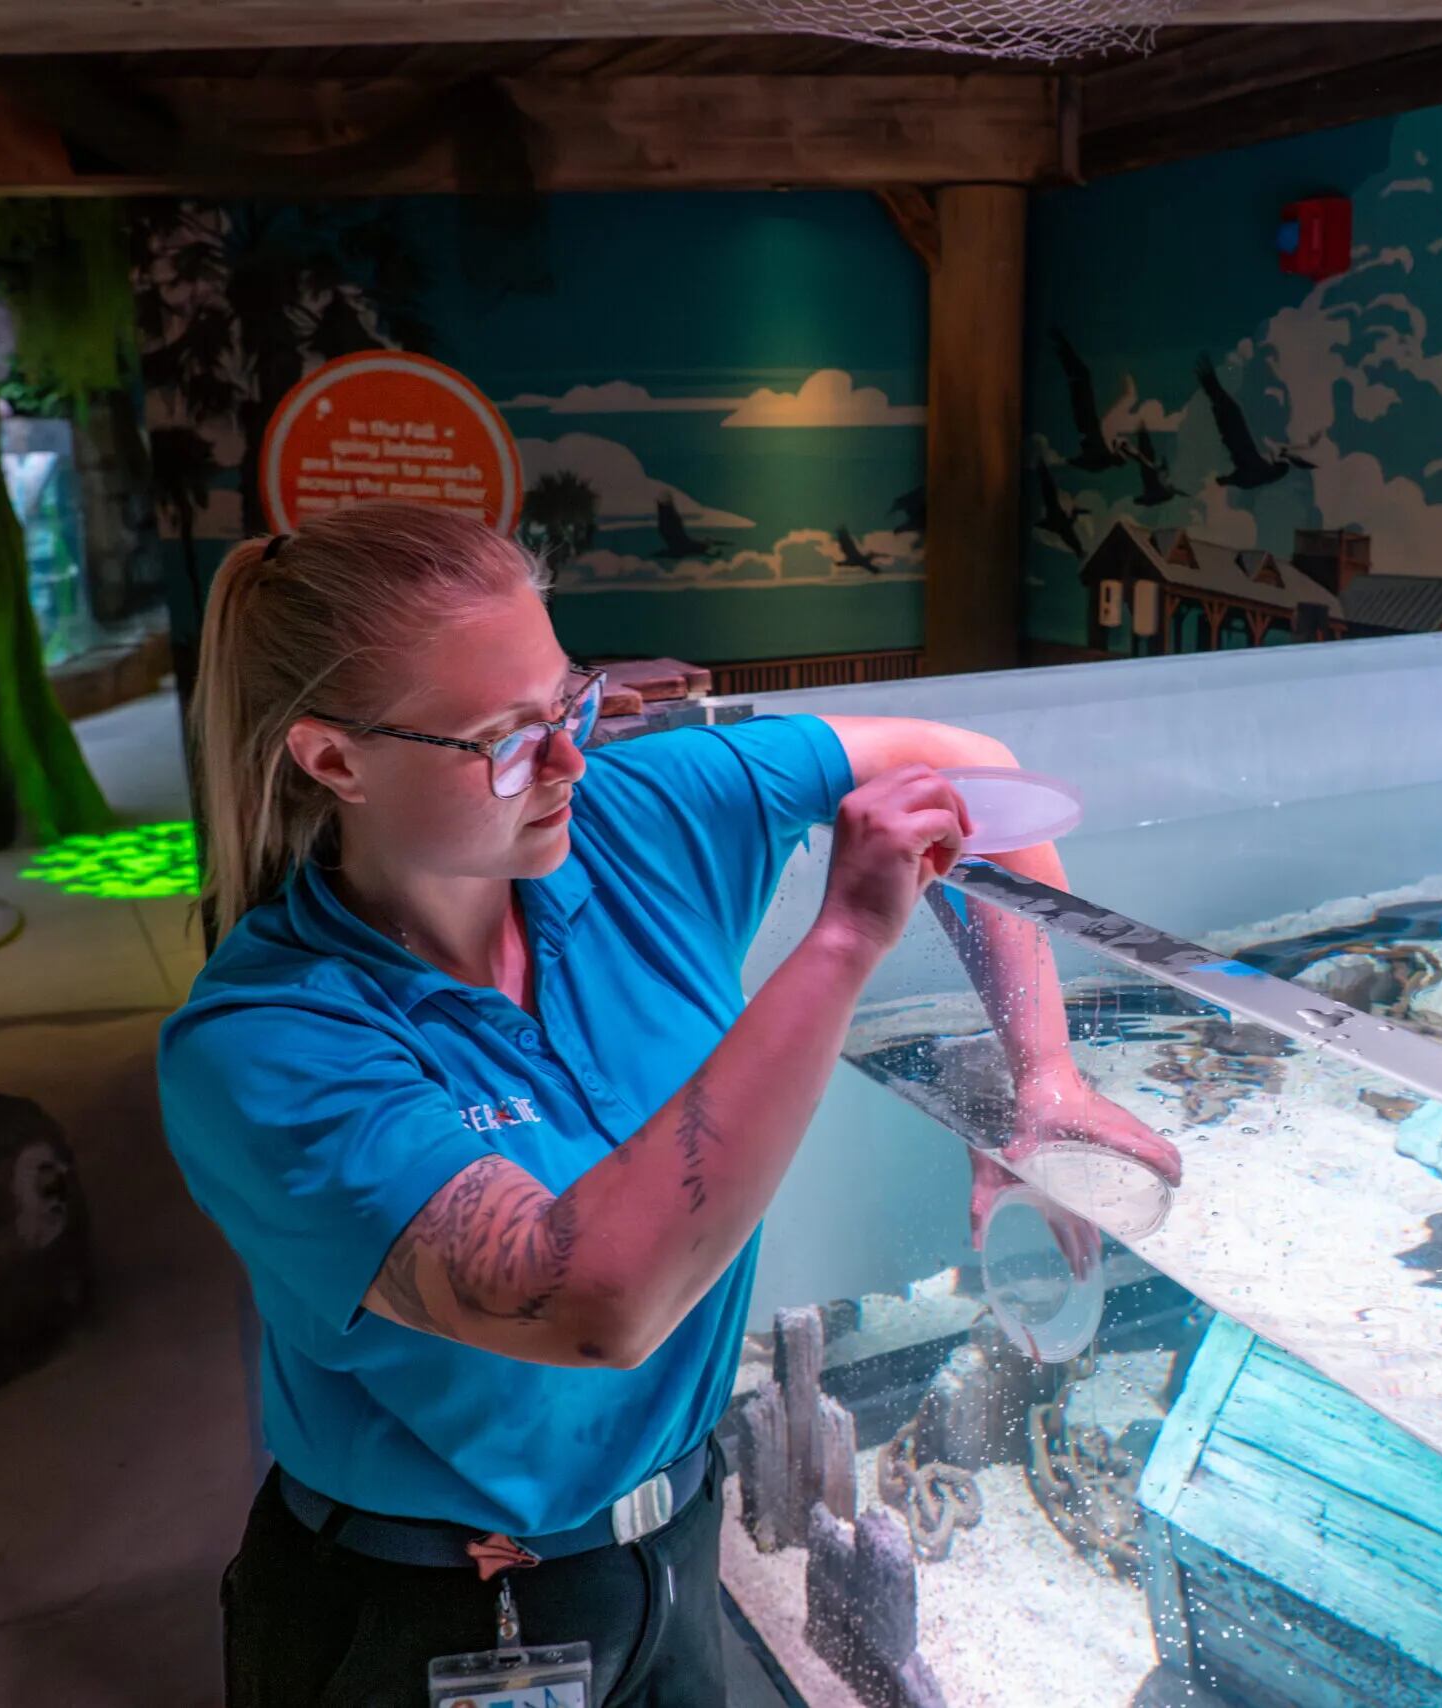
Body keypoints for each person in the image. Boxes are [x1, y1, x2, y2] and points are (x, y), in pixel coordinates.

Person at [158, 502, 1181, 1706]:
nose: (568, 765)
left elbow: (966, 774)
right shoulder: (268, 1040)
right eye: (503, 737)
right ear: (335, 759)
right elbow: (594, 1300)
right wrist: (845, 932)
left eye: (568, 705)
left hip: (674, 1543)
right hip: (422, 1611)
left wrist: (1042, 1072)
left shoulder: (636, 820)